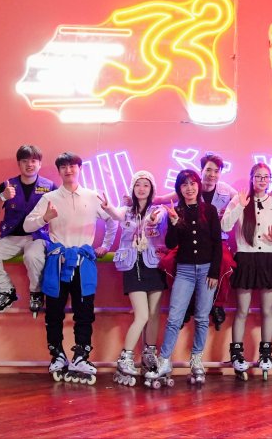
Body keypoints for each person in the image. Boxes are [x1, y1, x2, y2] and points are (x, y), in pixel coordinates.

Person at [23, 152, 117, 385]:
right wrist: (45, 218)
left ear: (79, 168)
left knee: (84, 311)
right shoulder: (50, 198)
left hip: (84, 261)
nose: (68, 170)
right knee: (54, 311)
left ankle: (81, 356)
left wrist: (105, 246)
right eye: (63, 167)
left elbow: (112, 220)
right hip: (58, 261)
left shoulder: (93, 196)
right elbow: (27, 225)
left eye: (72, 166)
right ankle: (57, 355)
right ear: (59, 171)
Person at [151, 169, 222, 386]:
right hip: (184, 271)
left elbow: (217, 244)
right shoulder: (177, 211)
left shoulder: (209, 210)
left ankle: (196, 361)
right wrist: (174, 222)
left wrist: (214, 272)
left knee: (202, 318)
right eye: (184, 184)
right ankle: (164, 361)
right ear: (179, 189)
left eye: (192, 183)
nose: (189, 188)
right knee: (174, 318)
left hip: (207, 271)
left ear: (198, 185)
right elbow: (171, 244)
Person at [100, 171, 169, 387]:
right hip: (132, 266)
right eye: (138, 184)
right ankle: (126, 358)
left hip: (154, 265)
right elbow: (116, 214)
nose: (141, 188)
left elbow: (159, 217)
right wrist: (108, 207)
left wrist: (154, 219)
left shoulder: (158, 209)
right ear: (133, 188)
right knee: (142, 315)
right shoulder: (127, 211)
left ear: (151, 189)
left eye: (146, 185)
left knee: (154, 314)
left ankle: (149, 355)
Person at [155, 153, 236, 331]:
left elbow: (244, 199)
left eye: (216, 171)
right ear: (201, 170)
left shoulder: (225, 190)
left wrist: (231, 210)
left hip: (215, 240)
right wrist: (137, 199)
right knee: (168, 262)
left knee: (224, 262)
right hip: (188, 241)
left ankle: (217, 305)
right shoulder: (189, 187)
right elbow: (162, 199)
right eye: (208, 170)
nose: (212, 174)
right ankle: (185, 304)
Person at [221, 163, 272, 381]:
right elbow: (225, 226)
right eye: (258, 176)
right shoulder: (239, 199)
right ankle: (237, 354)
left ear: (270, 179)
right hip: (245, 257)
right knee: (242, 310)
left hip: (268, 257)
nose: (262, 180)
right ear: (251, 177)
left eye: (266, 177)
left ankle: (266, 353)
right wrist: (240, 206)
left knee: (267, 310)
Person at [0, 145, 56, 317]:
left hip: (37, 237)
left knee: (33, 257)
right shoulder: (7, 185)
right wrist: (3, 197)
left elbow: (61, 212)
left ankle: (36, 293)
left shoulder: (50, 186)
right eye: (24, 161)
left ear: (40, 164)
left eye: (33, 161)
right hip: (11, 236)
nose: (29, 164)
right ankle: (6, 290)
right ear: (19, 164)